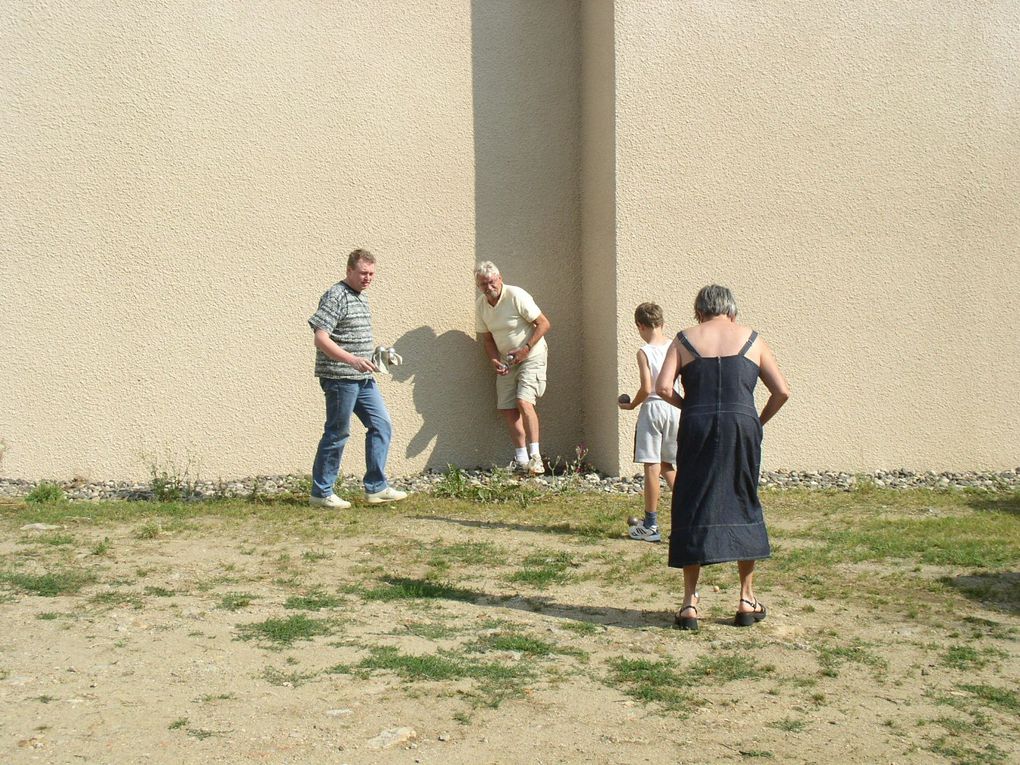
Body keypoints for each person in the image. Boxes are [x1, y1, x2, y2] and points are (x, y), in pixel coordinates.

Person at [655, 285, 789, 630]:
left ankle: (689, 604)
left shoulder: (684, 339)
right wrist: (756, 422)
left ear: (699, 311)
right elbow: (781, 391)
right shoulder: (752, 338)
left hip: (697, 422)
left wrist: (690, 407)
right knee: (743, 497)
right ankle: (746, 598)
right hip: (741, 424)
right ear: (731, 312)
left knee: (692, 499)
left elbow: (663, 388)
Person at [307, 249, 408, 509]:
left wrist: (379, 356)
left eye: (372, 274)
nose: (367, 278)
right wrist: (352, 360)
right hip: (340, 378)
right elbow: (321, 338)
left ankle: (376, 488)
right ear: (349, 271)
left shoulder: (360, 298)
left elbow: (352, 338)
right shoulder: (336, 295)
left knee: (381, 425)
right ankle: (321, 492)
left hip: (363, 379)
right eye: (363, 273)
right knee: (337, 432)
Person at [474, 261, 551, 475]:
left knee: (523, 401)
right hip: (507, 360)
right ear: (478, 286)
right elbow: (487, 339)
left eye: (491, 282)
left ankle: (536, 457)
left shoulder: (516, 295)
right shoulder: (481, 305)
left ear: (500, 278)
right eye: (483, 284)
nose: (489, 287)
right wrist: (493, 360)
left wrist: (526, 349)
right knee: (507, 408)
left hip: (532, 355)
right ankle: (522, 460)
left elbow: (544, 323)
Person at [618, 302, 680, 542]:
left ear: (640, 326)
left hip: (653, 407)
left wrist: (632, 404)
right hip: (674, 408)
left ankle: (651, 525)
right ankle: (688, 516)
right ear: (662, 323)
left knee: (652, 467)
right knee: (669, 465)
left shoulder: (644, 352)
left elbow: (647, 387)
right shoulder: (675, 347)